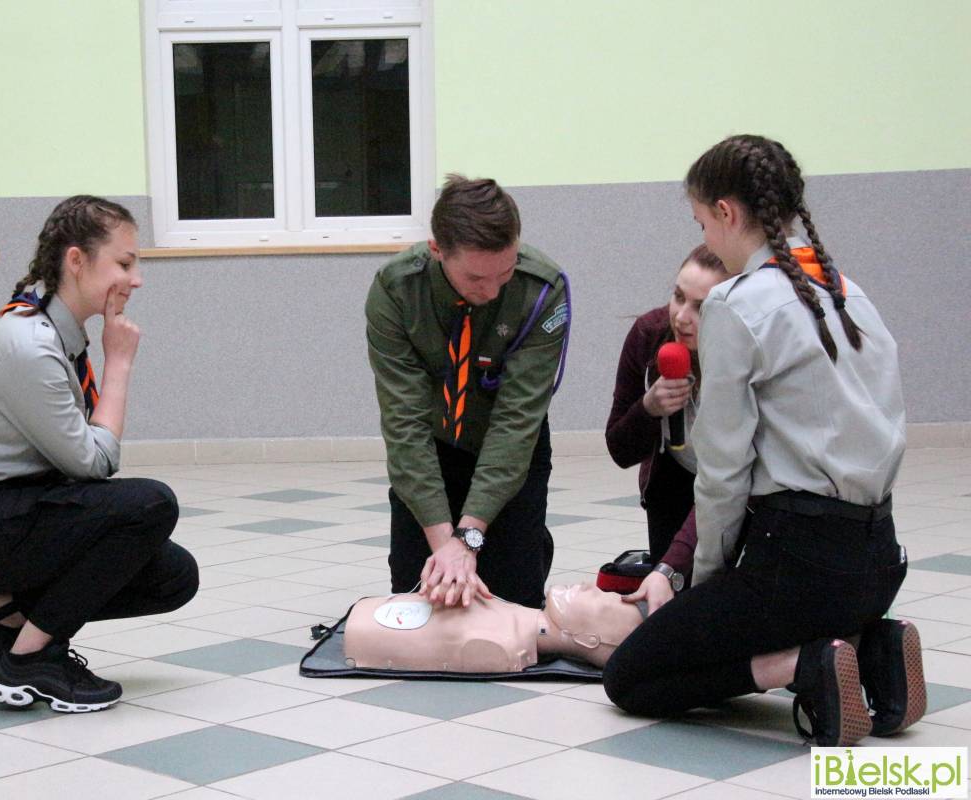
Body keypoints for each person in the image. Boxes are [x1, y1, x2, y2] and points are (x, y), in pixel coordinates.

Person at [603, 135, 924, 747]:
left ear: (725, 212)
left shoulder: (737, 303)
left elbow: (723, 470)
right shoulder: (848, 291)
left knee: (631, 678)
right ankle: (872, 646)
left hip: (797, 565)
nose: (706, 237)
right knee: (769, 614)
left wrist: (704, 585)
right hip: (878, 560)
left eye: (702, 222)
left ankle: (803, 664)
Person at [0, 196, 198, 713]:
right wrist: (120, 364)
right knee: (150, 504)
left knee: (172, 576)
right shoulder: (29, 343)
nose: (136, 280)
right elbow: (93, 463)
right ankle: (30, 660)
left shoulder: (57, 336)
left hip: (3, 507)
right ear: (77, 260)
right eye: (124, 263)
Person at [366, 175, 570, 610]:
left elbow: (516, 422)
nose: (492, 291)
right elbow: (405, 424)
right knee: (419, 596)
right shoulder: (397, 290)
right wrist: (447, 547)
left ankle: (527, 546)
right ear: (437, 249)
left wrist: (469, 537)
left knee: (512, 600)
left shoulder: (541, 291)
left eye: (505, 271)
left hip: (509, 450)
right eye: (476, 277)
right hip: (432, 449)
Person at [605, 245, 729, 612]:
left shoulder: (745, 352)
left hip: (736, 487)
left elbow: (729, 481)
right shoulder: (649, 334)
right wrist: (649, 408)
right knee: (673, 599)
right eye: (678, 297)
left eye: (700, 307)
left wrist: (671, 566)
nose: (682, 317)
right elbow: (619, 449)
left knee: (721, 597)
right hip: (672, 481)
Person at [344, 583, 644, 673]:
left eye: (601, 601)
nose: (591, 587)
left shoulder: (501, 646)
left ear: (590, 640)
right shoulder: (514, 620)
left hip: (364, 634)